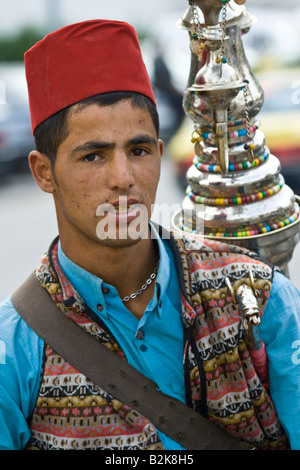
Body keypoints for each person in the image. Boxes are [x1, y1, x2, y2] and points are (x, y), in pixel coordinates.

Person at [0, 18, 299, 452]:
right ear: (43, 172)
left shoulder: (258, 297)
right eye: (93, 156)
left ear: (160, 155)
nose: (123, 178)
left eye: (138, 150)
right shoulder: (17, 348)